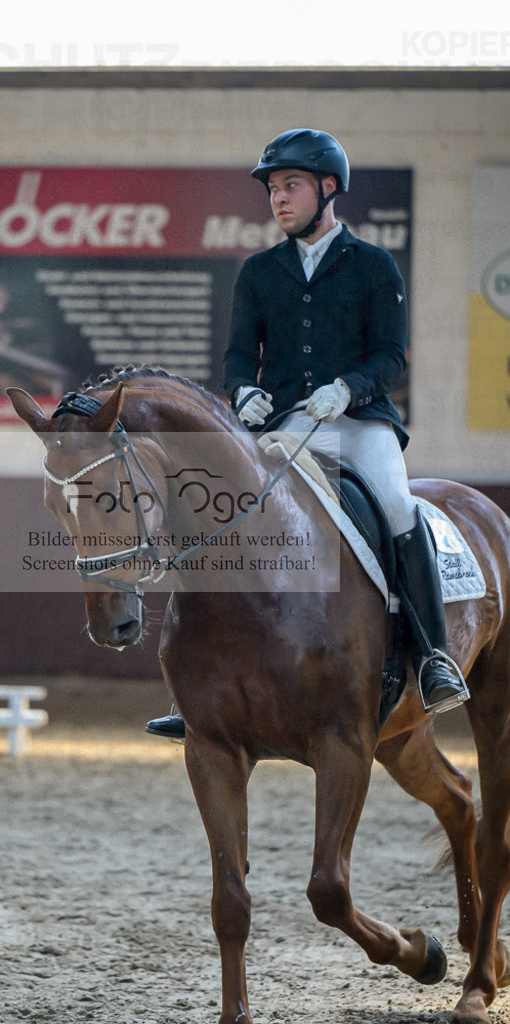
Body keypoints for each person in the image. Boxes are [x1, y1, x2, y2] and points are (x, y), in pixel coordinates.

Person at [146, 128, 469, 740]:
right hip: (288, 425)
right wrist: (243, 391)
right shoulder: (259, 271)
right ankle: (196, 686)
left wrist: (348, 389)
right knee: (222, 511)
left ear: (327, 188)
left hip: (360, 422)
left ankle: (433, 659)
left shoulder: (374, 266)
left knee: (400, 510)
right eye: (272, 189)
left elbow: (392, 356)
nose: (278, 199)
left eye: (290, 185)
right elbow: (239, 355)